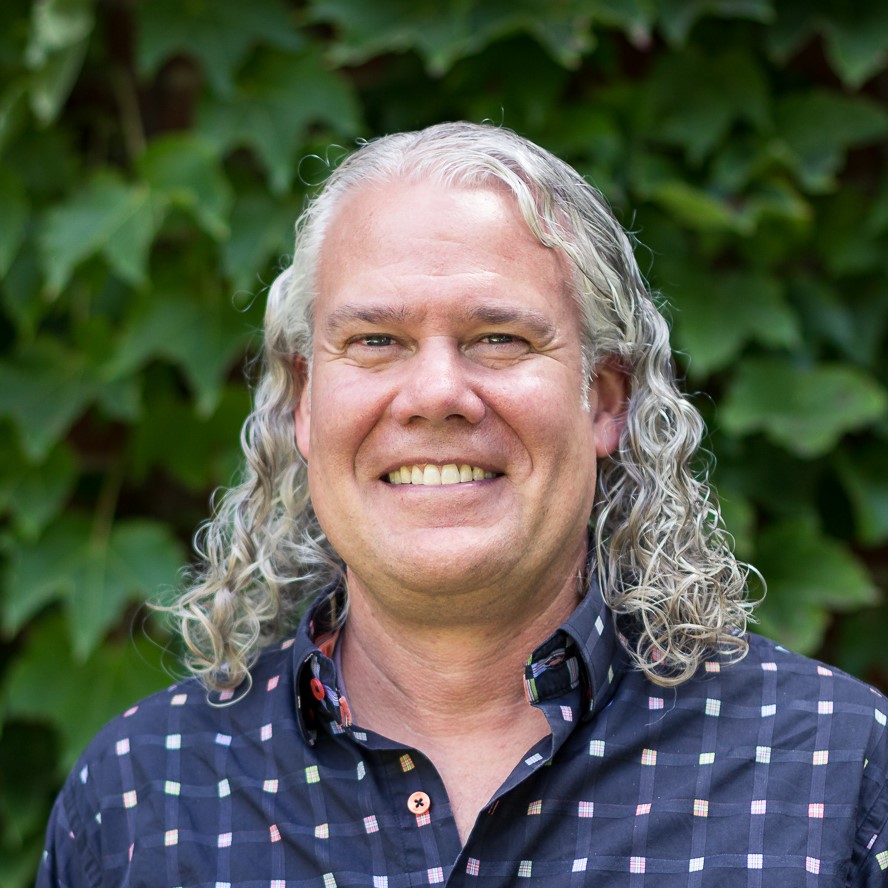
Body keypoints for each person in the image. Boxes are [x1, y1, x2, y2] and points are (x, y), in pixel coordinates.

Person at [39, 122, 888, 887]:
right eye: (375, 341)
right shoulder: (143, 795)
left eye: (499, 338)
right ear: (303, 402)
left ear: (605, 401)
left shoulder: (834, 767)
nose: (437, 394)